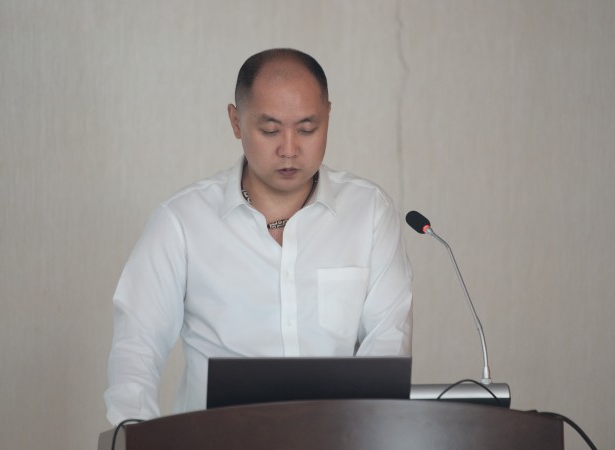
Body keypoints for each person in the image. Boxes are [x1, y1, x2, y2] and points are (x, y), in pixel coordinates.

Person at [104, 48, 413, 425]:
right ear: (236, 122)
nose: (289, 149)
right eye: (269, 130)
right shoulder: (182, 221)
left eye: (307, 129)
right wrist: (133, 435)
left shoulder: (369, 213)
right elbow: (137, 348)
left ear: (328, 116)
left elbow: (386, 345)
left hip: (337, 438)